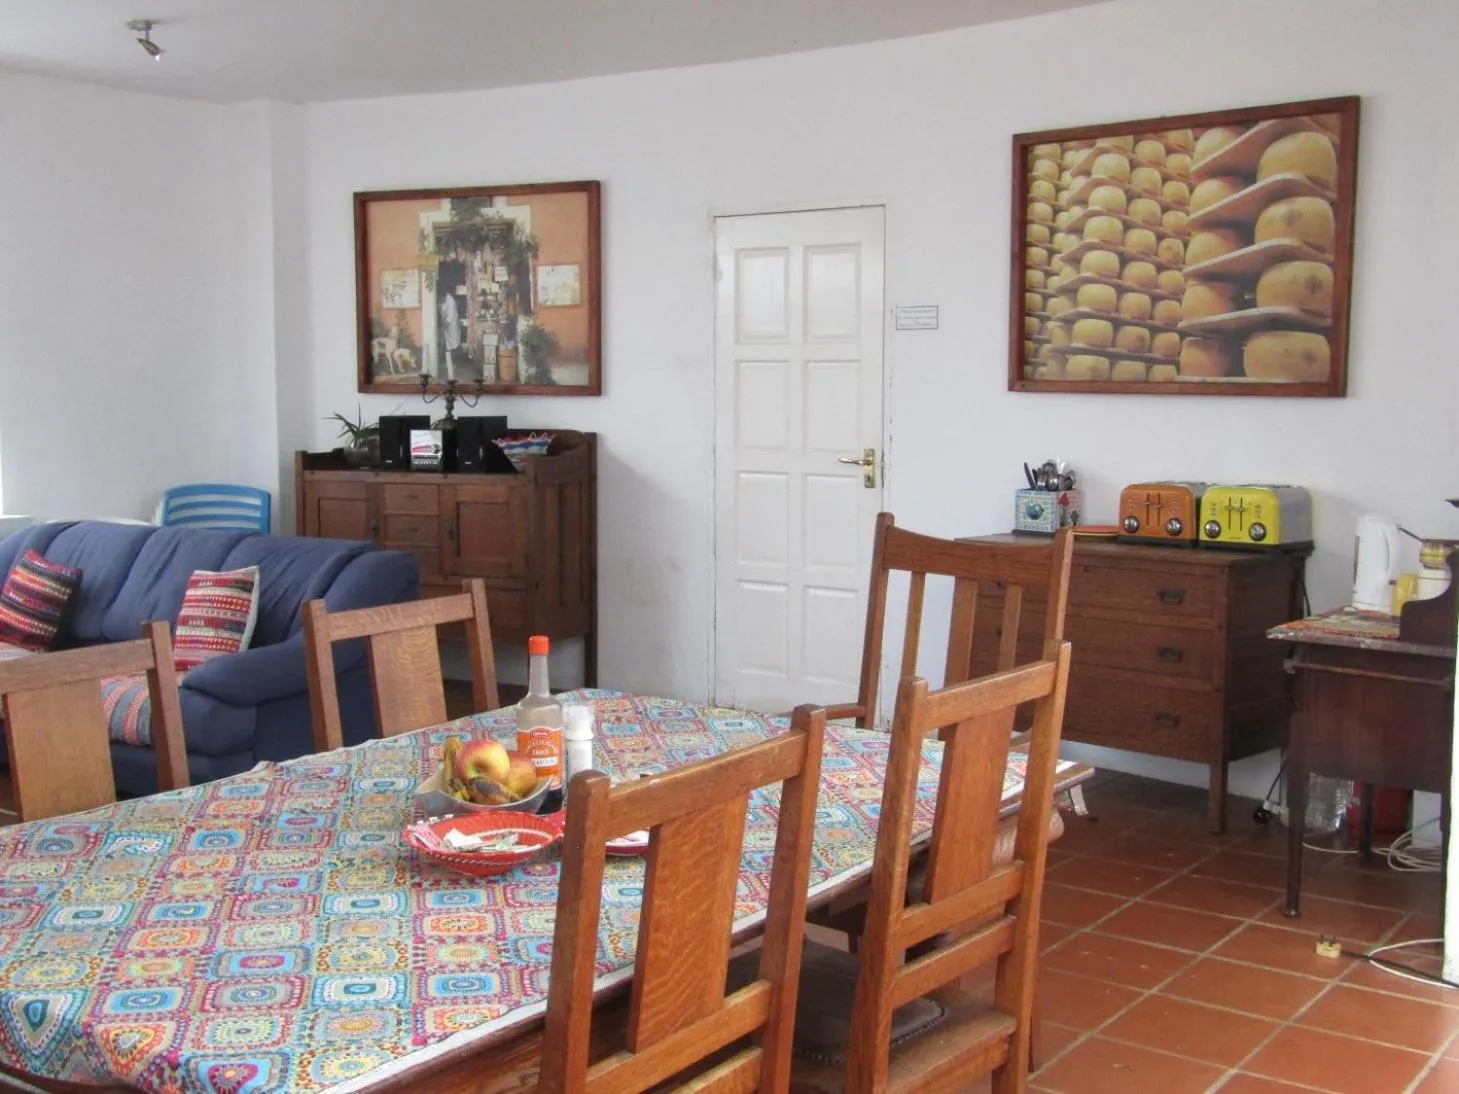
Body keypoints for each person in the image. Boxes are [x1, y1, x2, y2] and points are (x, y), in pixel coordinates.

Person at [439, 290, 462, 379]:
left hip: (451, 327)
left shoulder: (451, 301)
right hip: (446, 327)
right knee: (447, 345)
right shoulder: (444, 300)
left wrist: (443, 326)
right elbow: (441, 310)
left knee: (453, 345)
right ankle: (448, 364)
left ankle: (453, 365)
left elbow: (449, 318)